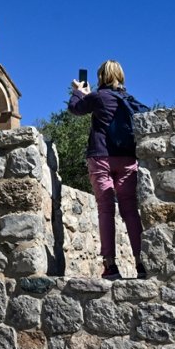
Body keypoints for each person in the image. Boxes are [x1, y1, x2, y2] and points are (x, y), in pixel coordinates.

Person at [68, 60, 148, 280]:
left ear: (101, 76)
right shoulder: (128, 99)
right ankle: (142, 263)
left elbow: (75, 109)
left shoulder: (98, 97)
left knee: (105, 209)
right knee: (130, 210)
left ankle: (110, 266)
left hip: (100, 157)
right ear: (121, 76)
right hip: (127, 159)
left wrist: (78, 92)